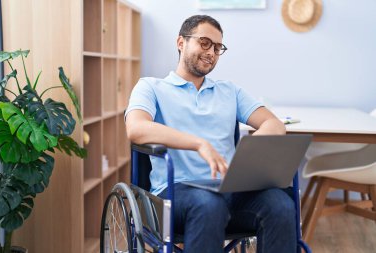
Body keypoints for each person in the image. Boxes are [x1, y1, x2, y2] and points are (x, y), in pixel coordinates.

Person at [125, 15, 296, 253]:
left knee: (280, 204)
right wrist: (198, 143)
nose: (211, 52)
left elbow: (274, 124)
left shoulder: (229, 91)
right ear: (181, 42)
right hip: (176, 192)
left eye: (217, 47)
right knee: (208, 204)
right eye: (204, 43)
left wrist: (249, 155)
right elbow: (136, 128)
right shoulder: (151, 87)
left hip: (229, 189)